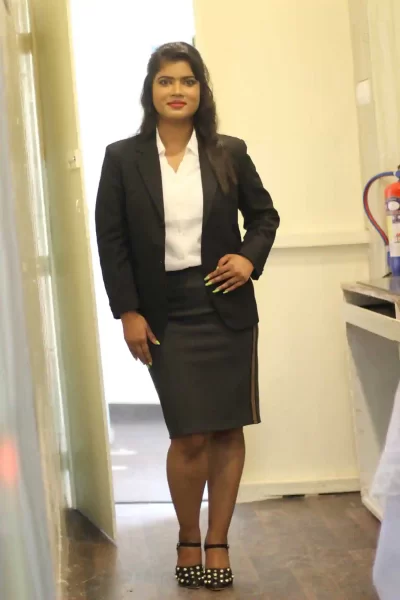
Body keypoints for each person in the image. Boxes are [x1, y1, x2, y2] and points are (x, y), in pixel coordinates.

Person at [95, 41, 279, 592]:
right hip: (163, 313)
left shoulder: (228, 152)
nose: (177, 91)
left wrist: (249, 258)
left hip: (225, 306)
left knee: (226, 429)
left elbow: (264, 216)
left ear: (202, 90)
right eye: (166, 81)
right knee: (189, 435)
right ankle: (186, 535)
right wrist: (128, 311)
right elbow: (112, 241)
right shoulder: (122, 158)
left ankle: (217, 542)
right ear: (150, 90)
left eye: (188, 81)